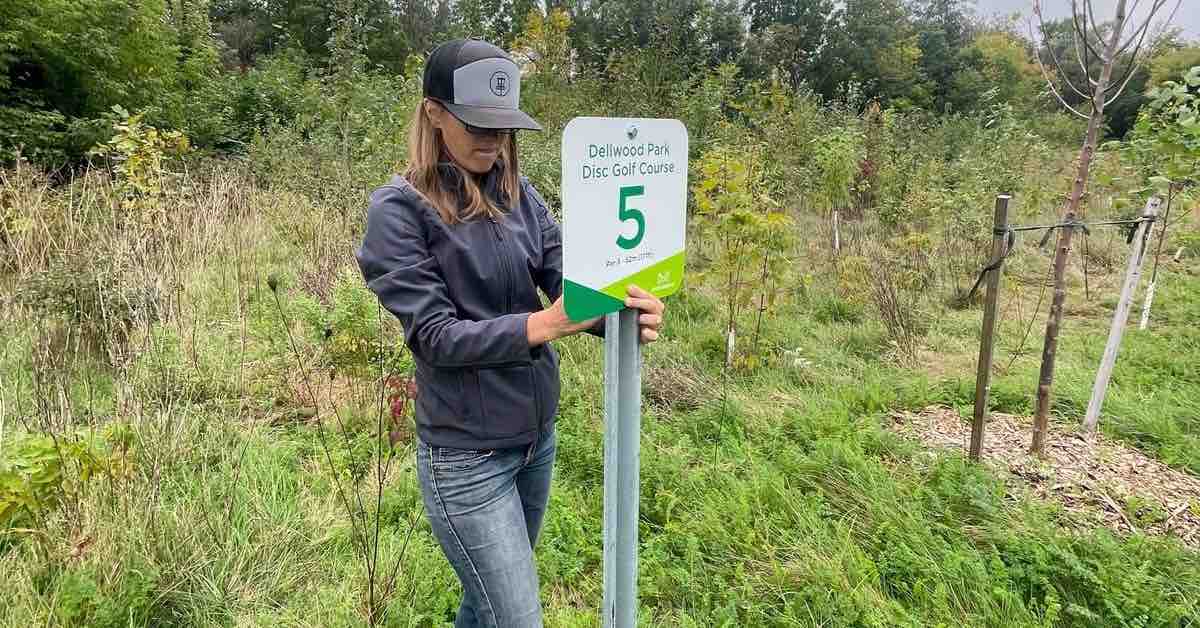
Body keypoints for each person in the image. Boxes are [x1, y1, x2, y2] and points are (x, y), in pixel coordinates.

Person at [355, 38, 665, 627]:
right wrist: (545, 323)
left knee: (487, 606)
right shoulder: (398, 212)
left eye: (504, 126)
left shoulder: (521, 198)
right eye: (476, 123)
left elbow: (575, 284)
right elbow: (436, 338)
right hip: (466, 459)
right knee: (517, 617)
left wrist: (626, 315)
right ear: (433, 113)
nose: (493, 140)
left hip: (533, 442)